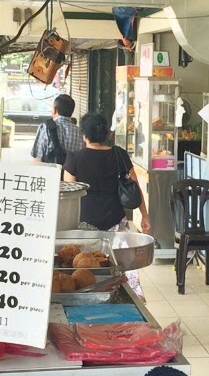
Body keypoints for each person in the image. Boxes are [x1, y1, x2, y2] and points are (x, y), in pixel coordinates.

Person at [63, 113, 152, 296]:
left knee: (86, 267)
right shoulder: (119, 154)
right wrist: (145, 215)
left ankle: (92, 297)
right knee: (122, 266)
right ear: (106, 134)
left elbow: (69, 196)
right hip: (116, 221)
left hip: (85, 224)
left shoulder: (74, 159)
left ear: (84, 135)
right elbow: (134, 187)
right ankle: (129, 300)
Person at [32, 94, 84, 165]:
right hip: (70, 175)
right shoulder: (80, 133)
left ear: (55, 110)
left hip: (49, 174)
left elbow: (38, 159)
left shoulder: (45, 128)